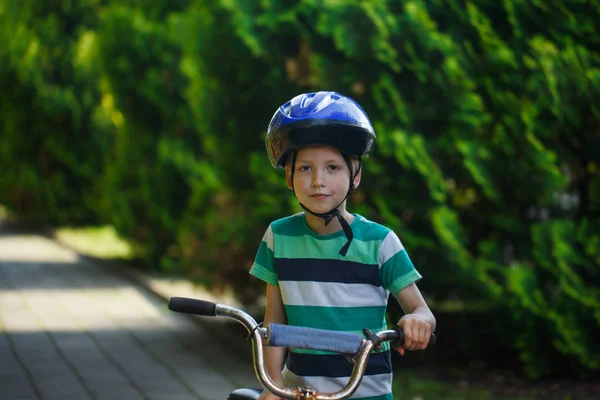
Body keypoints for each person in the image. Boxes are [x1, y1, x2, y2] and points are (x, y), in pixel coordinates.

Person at [250, 91, 436, 400]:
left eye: (333, 168)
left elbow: (421, 310)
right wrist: (273, 385)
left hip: (366, 393)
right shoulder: (278, 236)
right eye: (305, 168)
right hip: (300, 391)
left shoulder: (380, 242)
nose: (318, 181)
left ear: (356, 175)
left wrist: (416, 320)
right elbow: (275, 320)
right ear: (288, 175)